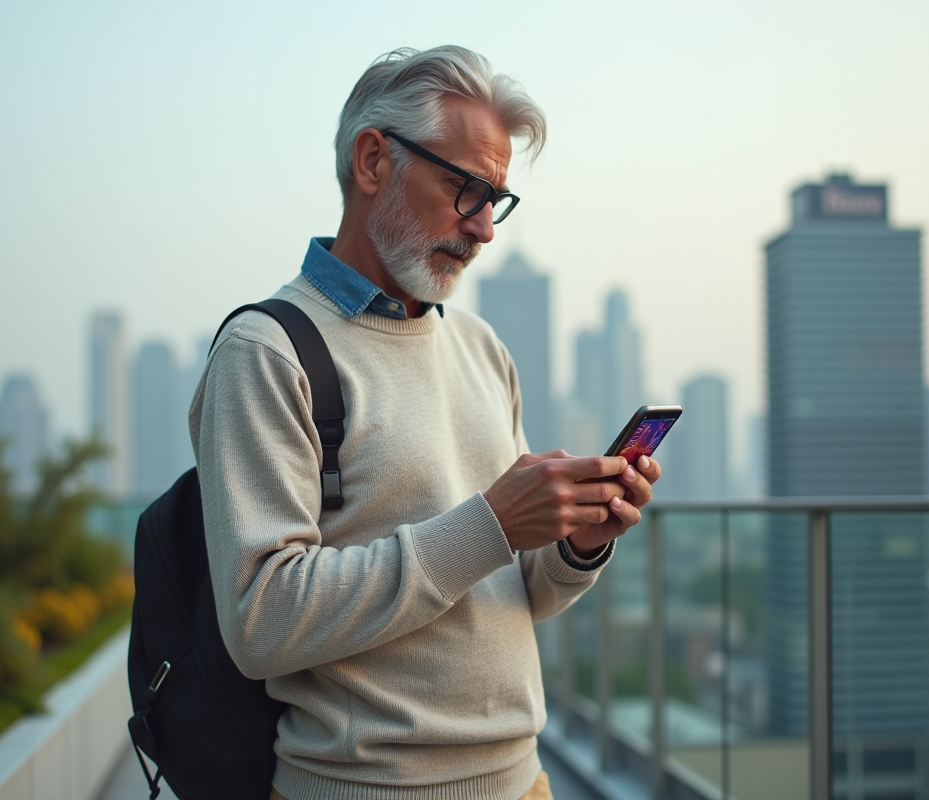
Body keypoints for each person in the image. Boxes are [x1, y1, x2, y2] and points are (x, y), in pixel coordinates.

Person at [189, 45, 662, 800]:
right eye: (465, 189)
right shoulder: (266, 351)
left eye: (496, 199)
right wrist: (490, 524)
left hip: (524, 782)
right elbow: (261, 622)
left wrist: (578, 544)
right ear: (373, 161)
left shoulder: (482, 348)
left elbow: (517, 593)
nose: (485, 229)